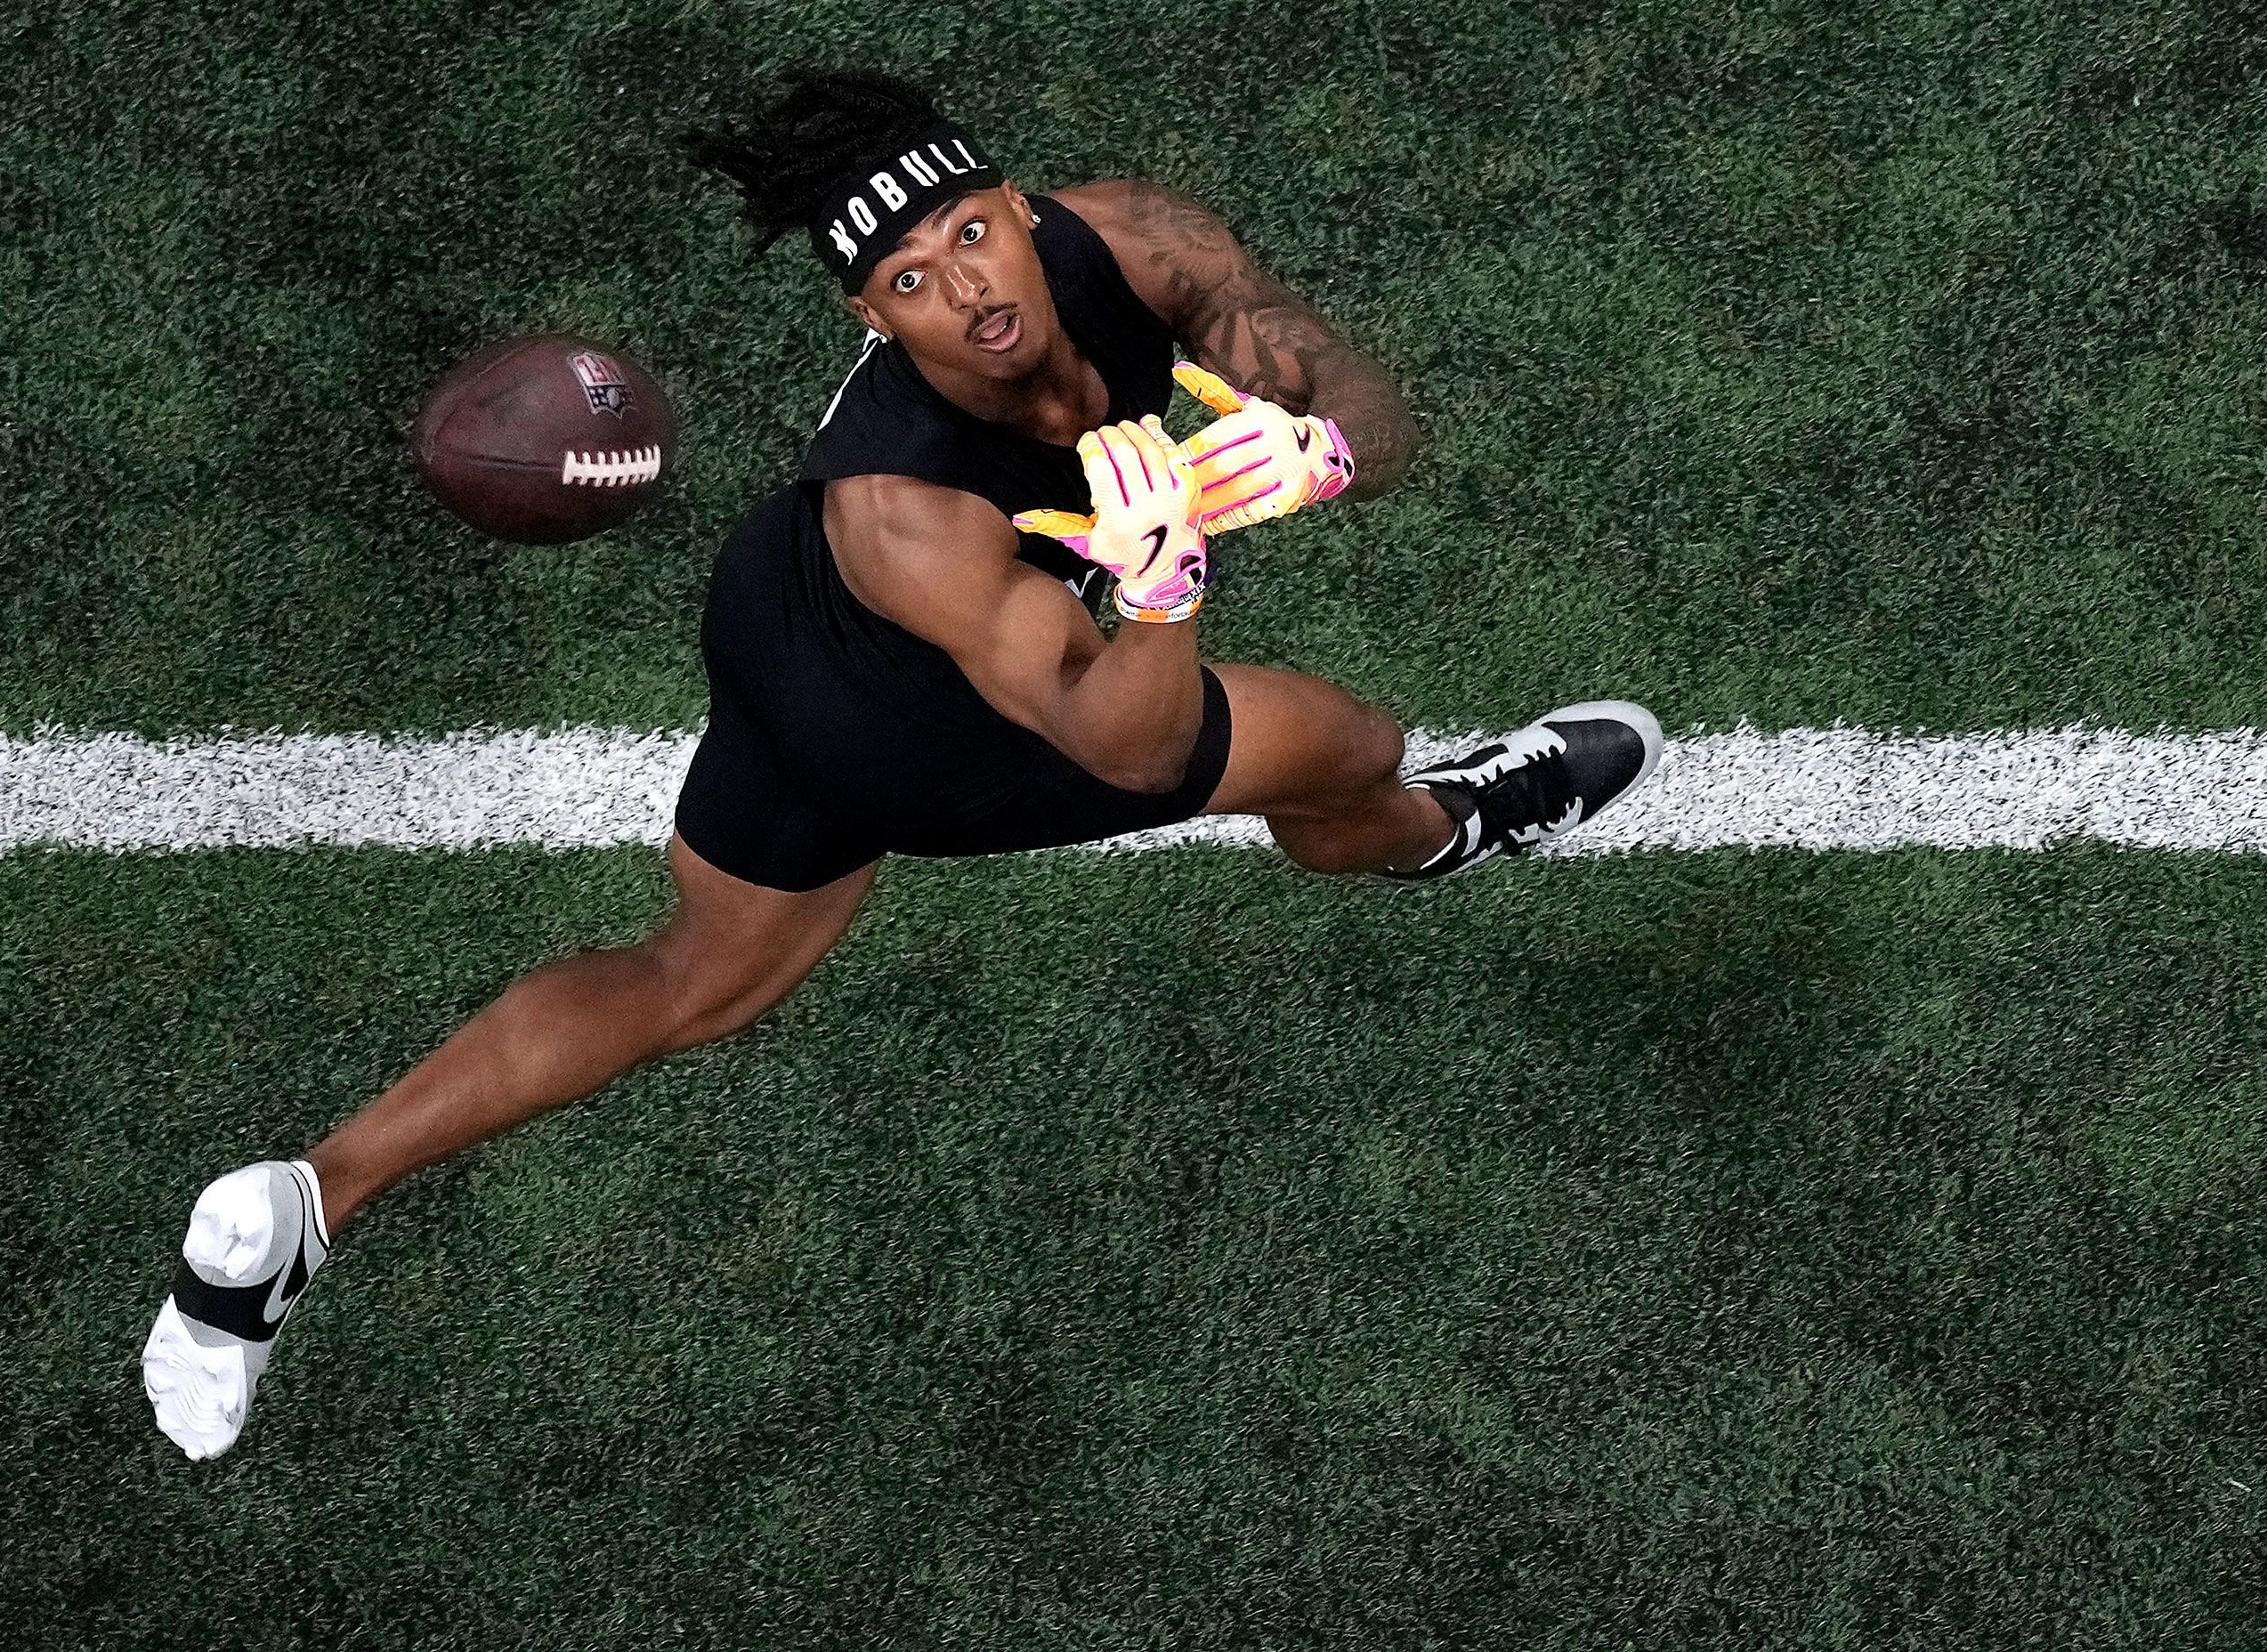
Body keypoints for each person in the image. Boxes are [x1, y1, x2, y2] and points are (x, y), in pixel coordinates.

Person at [141, 70, 1664, 1459]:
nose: (969, 294)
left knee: (699, 979)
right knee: (1346, 749)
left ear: (1023, 205)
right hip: (924, 720)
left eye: (972, 237)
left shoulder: (1140, 241)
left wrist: (1324, 447)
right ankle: (1451, 819)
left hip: (776, 609)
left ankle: (299, 1208)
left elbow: (1368, 407)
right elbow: (1124, 746)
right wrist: (1164, 584)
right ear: (875, 321)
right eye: (909, 284)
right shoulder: (909, 509)